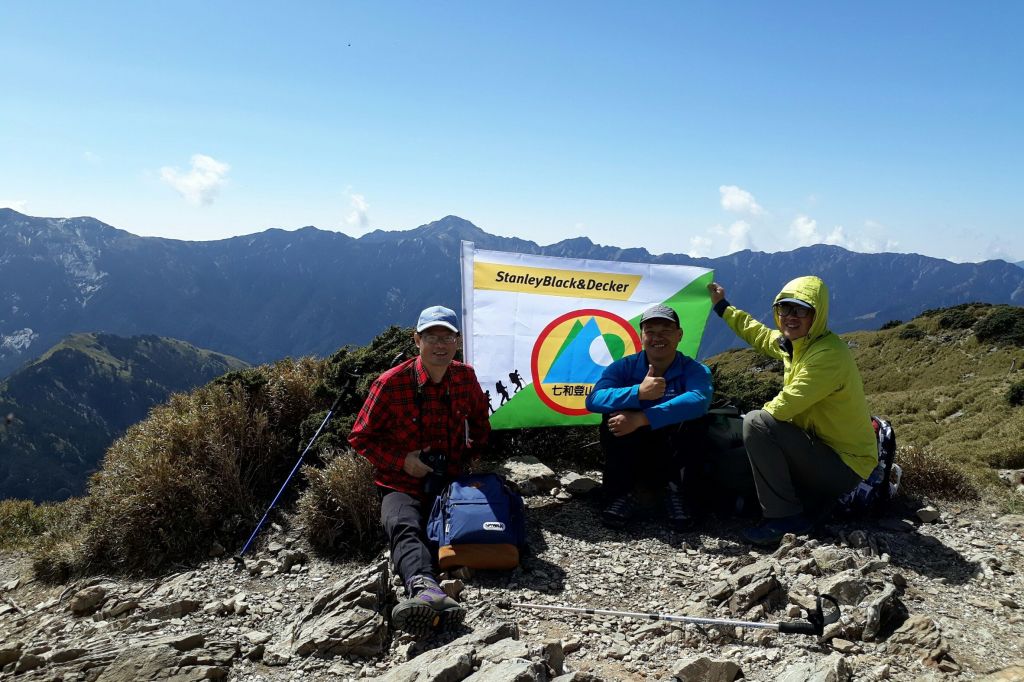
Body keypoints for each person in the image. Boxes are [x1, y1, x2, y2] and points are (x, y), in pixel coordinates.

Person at [349, 305, 491, 636]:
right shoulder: (390, 383)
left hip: (451, 479)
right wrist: (402, 461)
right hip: (400, 482)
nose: (440, 345)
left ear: (457, 341)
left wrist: (472, 458)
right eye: (431, 337)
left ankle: (436, 594)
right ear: (417, 340)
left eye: (448, 337)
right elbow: (359, 437)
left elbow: (481, 421)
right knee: (403, 524)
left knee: (454, 527)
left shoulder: (464, 377)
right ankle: (424, 589)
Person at [706, 277, 878, 545]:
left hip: (844, 466)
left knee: (756, 423)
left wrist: (746, 429)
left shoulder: (827, 356)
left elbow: (781, 409)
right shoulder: (795, 344)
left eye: (800, 310)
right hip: (814, 449)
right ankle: (807, 504)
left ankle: (786, 519)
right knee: (728, 466)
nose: (790, 317)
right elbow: (760, 334)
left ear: (816, 315)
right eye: (784, 309)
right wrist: (722, 306)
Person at [584, 304, 713, 530]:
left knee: (696, 420)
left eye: (665, 331)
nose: (657, 337)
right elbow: (594, 400)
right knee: (614, 418)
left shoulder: (694, 369)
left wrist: (642, 418)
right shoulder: (623, 367)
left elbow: (699, 400)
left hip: (673, 446)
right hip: (635, 446)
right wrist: (638, 392)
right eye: (650, 331)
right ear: (641, 336)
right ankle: (624, 493)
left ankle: (676, 492)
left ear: (679, 335)